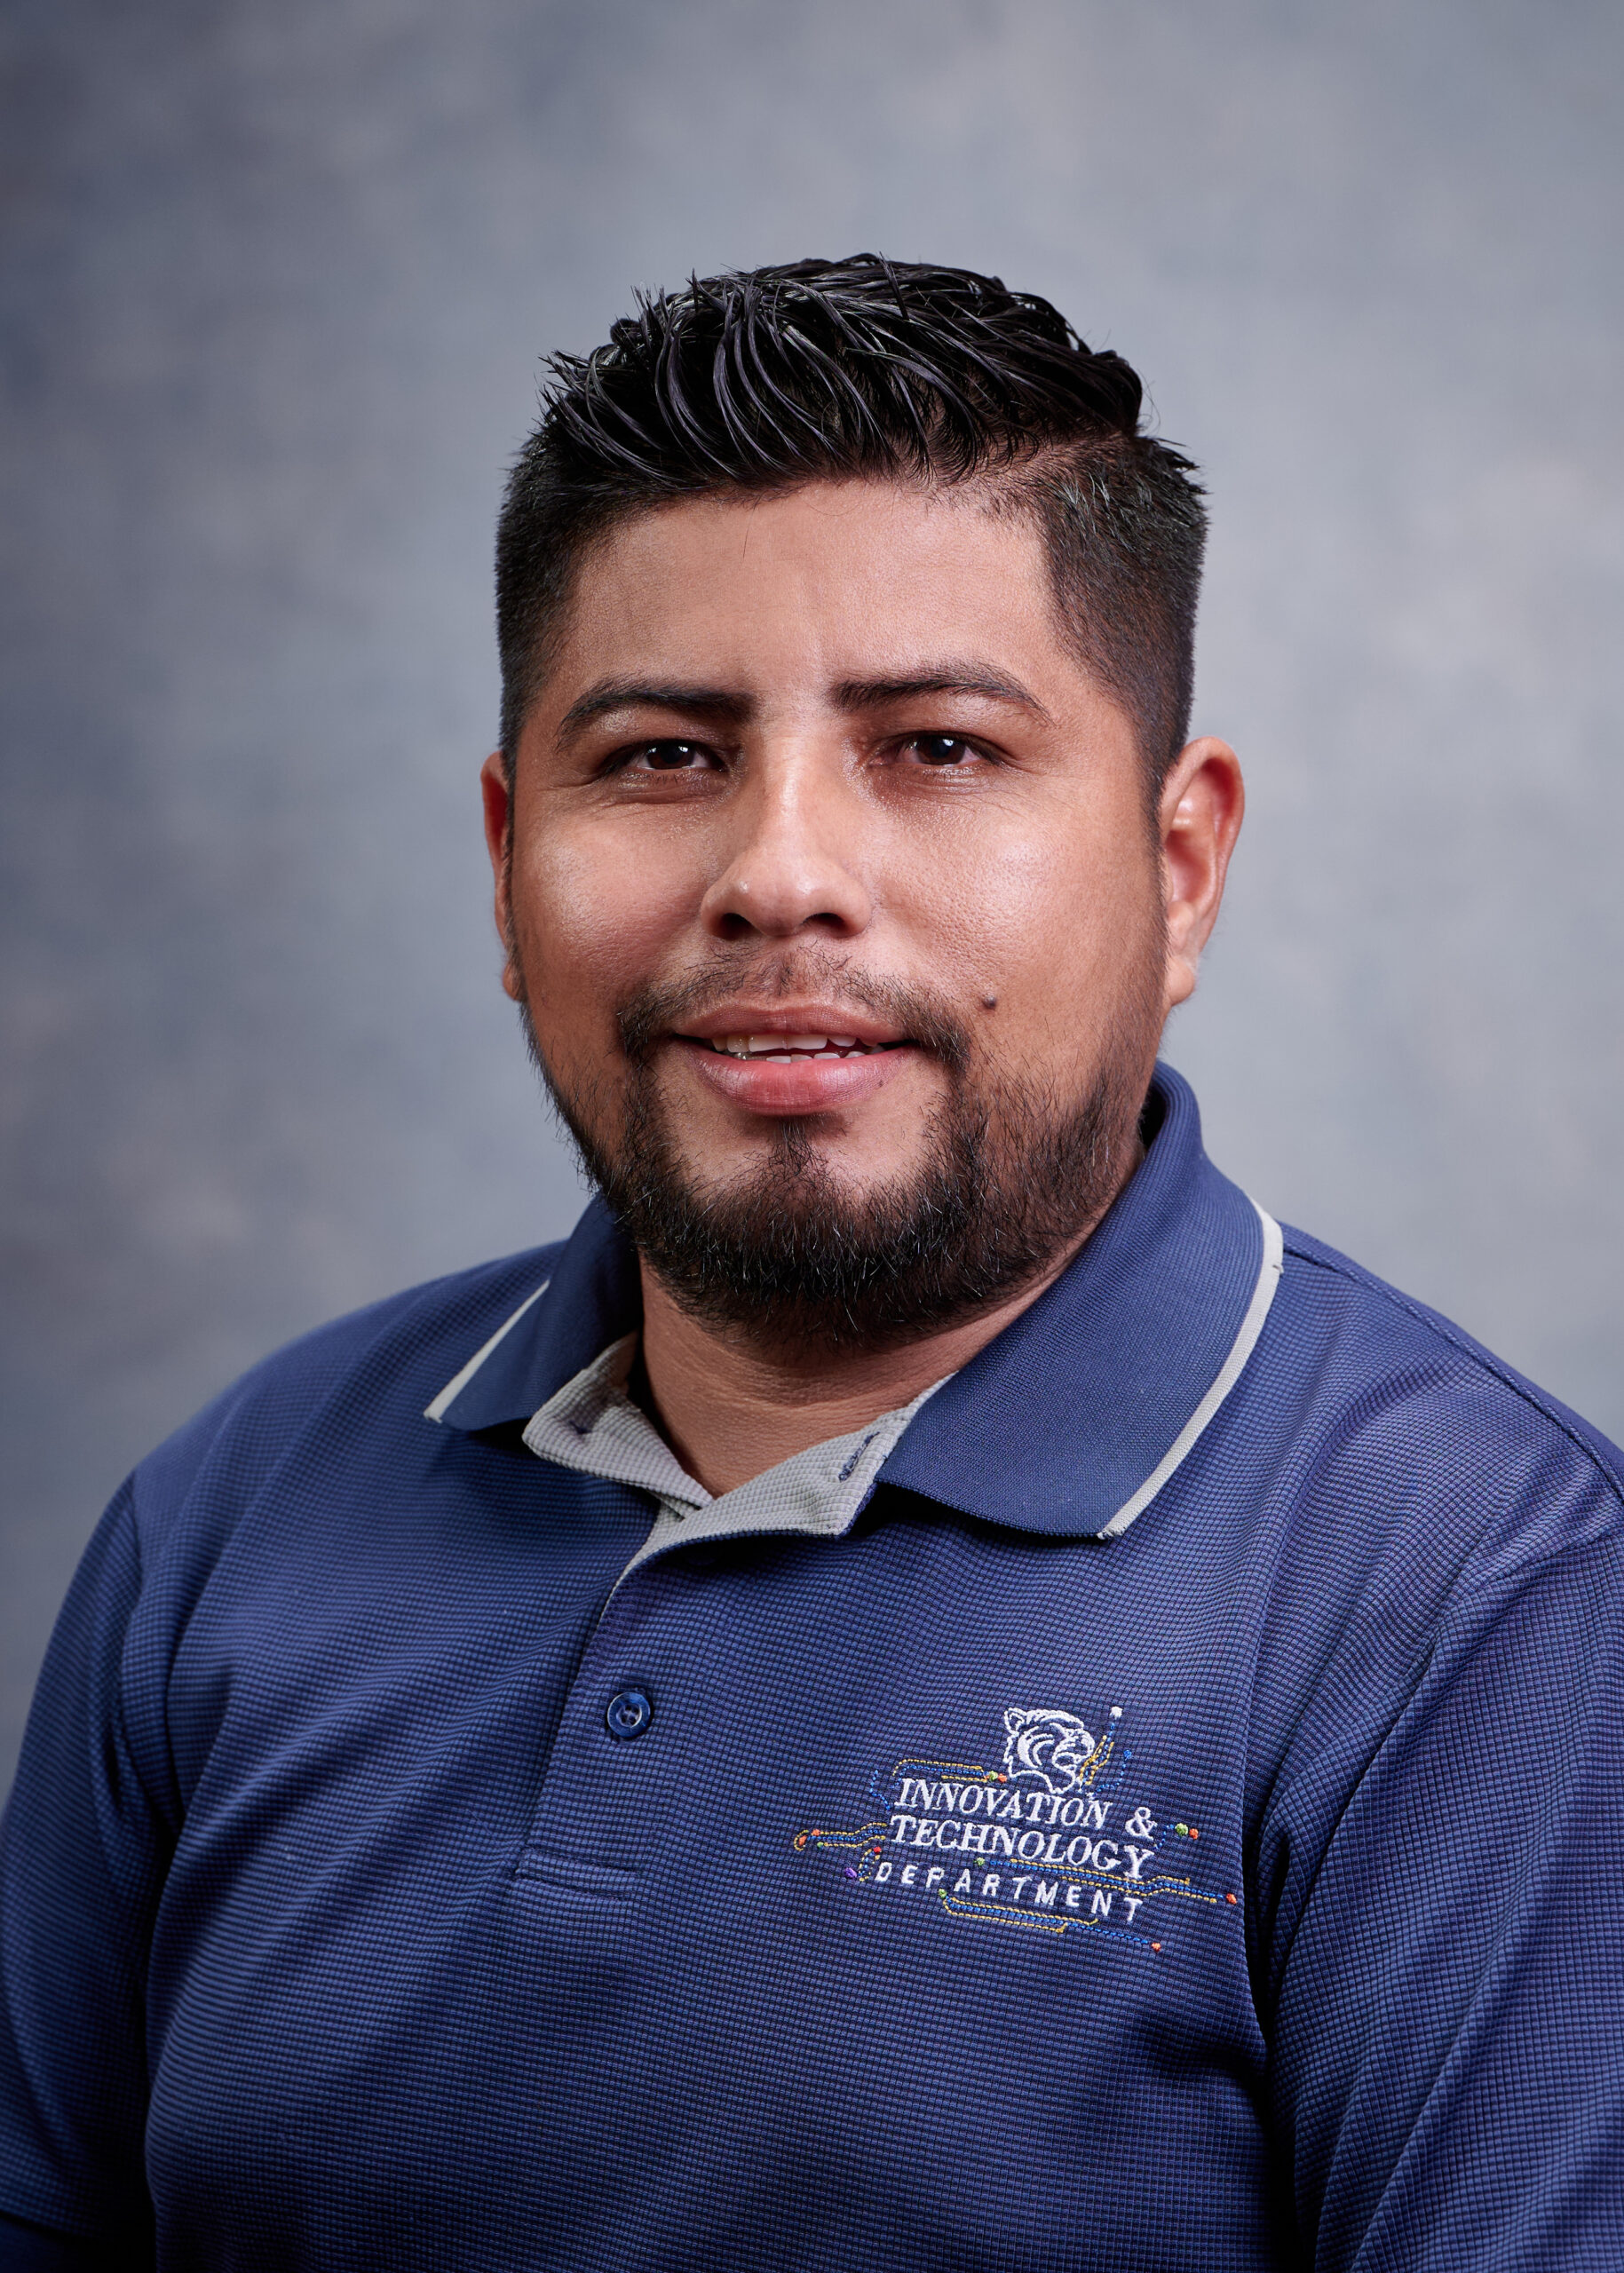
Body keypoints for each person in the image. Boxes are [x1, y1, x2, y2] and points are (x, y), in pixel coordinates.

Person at [2, 256, 1620, 2273]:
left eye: (936, 746)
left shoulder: (1491, 1599)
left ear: (1178, 866)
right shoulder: (237, 1507)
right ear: (506, 860)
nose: (779, 874)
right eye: (662, 756)